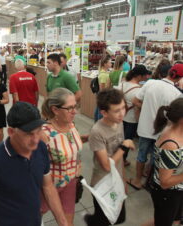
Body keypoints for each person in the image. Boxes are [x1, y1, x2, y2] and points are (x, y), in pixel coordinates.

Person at [0, 101, 68, 226]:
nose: (36, 139)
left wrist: (63, 222)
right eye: (29, 134)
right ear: (11, 132)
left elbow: (48, 186)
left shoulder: (40, 147)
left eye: (39, 131)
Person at [128, 64, 183, 190]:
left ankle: (137, 180)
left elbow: (135, 100)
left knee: (141, 155)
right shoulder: (176, 94)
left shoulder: (150, 83)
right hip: (162, 132)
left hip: (144, 127)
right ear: (179, 78)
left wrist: (146, 107)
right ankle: (150, 181)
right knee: (155, 158)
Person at [84, 88, 135, 226]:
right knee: (105, 220)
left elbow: (119, 159)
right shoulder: (97, 131)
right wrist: (124, 146)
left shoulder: (119, 123)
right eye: (117, 110)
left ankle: (92, 220)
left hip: (116, 180)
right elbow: (106, 165)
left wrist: (123, 180)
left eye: (123, 108)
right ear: (104, 113)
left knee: (118, 218)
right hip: (102, 183)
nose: (122, 113)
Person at [41, 88, 83, 226]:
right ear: (55, 110)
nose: (74, 111)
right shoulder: (44, 134)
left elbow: (71, 146)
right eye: (70, 108)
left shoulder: (71, 125)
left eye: (75, 106)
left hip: (70, 182)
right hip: (48, 187)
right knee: (34, 217)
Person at [142, 98, 183, 226]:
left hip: (178, 190)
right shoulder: (171, 144)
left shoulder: (177, 130)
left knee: (175, 220)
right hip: (168, 194)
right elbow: (165, 182)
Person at [122, 65, 148, 166]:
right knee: (127, 140)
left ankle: (117, 158)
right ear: (138, 76)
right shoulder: (139, 90)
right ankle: (122, 160)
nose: (146, 76)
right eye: (144, 75)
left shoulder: (123, 84)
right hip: (131, 119)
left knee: (119, 139)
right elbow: (137, 108)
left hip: (120, 116)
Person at [94, 55, 112, 121]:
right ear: (105, 64)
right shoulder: (104, 75)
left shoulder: (103, 72)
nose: (111, 64)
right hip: (103, 96)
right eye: (109, 62)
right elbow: (102, 88)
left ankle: (97, 124)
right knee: (101, 113)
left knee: (98, 110)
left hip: (101, 95)